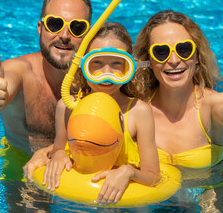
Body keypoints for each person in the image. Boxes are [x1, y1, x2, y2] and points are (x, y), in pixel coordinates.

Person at [132, 10, 223, 211]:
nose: (173, 60)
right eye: (161, 52)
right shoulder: (137, 108)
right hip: (158, 196)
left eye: (184, 49)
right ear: (149, 61)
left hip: (211, 189)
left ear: (196, 57)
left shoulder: (211, 105)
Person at [0, 0, 92, 211]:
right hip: (23, 165)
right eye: (54, 24)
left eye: (77, 28)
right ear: (40, 28)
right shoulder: (20, 70)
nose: (65, 35)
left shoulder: (98, 79)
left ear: (89, 35)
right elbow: (7, 80)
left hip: (78, 166)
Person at [27, 22, 160, 205]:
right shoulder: (66, 107)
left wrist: (128, 171)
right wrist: (58, 155)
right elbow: (59, 150)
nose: (107, 74)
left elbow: (153, 177)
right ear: (82, 64)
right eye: (96, 63)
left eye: (117, 64)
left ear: (130, 68)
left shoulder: (139, 112)